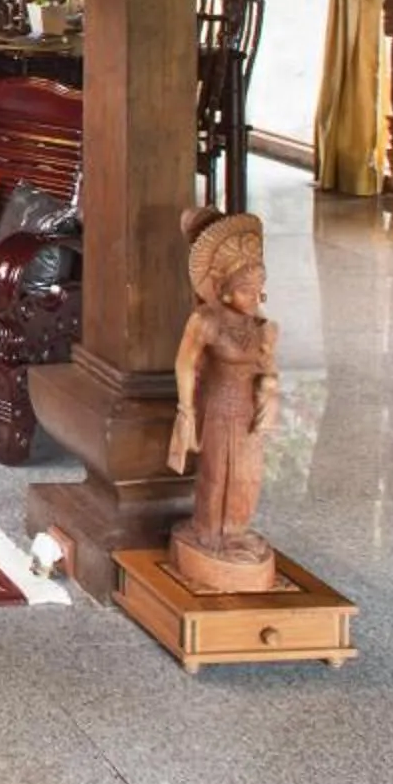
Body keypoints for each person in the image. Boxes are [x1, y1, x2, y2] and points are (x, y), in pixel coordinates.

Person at [167, 210, 278, 586]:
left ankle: (236, 531)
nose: (255, 297)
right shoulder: (206, 321)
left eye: (260, 289)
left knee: (248, 474)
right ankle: (209, 531)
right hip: (216, 404)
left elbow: (267, 365)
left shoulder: (260, 326)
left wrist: (269, 387)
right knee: (217, 471)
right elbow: (185, 364)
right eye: (247, 290)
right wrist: (185, 408)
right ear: (226, 289)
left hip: (248, 407)